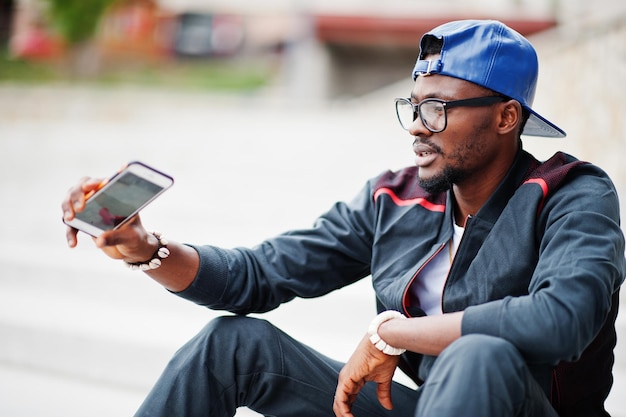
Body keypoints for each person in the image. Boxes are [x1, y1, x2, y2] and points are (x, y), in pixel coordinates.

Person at [62, 20, 625, 417]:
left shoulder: (572, 195)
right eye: (413, 106)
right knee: (230, 345)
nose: (417, 127)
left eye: (438, 108)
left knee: (477, 353)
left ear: (506, 117)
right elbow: (255, 276)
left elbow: (561, 320)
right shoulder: (395, 200)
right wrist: (146, 250)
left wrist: (391, 333)